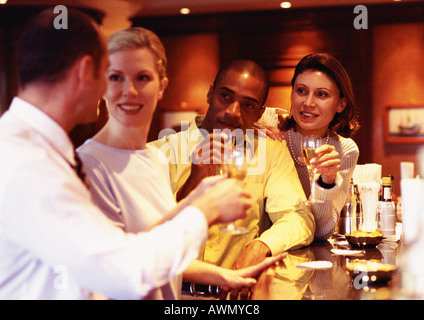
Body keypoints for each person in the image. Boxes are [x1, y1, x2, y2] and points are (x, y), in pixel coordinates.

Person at [0, 8, 269, 300]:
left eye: (142, 78)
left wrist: (195, 201)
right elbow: (119, 273)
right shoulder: (33, 164)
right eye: (109, 75)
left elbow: (122, 247)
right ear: (85, 70)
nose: (121, 89)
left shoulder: (30, 147)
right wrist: (206, 210)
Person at [77, 27, 284, 300]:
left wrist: (226, 276)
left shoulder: (153, 158)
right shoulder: (86, 165)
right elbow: (115, 269)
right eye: (116, 77)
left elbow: (160, 249)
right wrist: (205, 209)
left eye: (142, 77)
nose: (129, 91)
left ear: (162, 86)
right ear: (102, 84)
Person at [150, 59, 316, 298]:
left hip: (238, 297)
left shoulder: (270, 152)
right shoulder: (159, 152)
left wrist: (261, 246)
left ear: (259, 113)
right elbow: (152, 238)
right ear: (210, 93)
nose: (233, 112)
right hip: (174, 295)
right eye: (225, 97)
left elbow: (299, 217)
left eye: (248, 105)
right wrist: (196, 179)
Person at [258, 52, 360, 240]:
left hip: (299, 254)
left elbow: (320, 233)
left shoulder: (345, 150)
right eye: (301, 91)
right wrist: (244, 126)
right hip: (256, 244)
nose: (308, 103)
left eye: (322, 94)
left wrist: (327, 182)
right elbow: (210, 124)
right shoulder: (267, 121)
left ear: (341, 104)